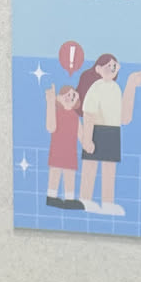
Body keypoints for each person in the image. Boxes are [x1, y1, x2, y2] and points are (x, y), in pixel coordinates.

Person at [76, 52, 141, 215]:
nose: (112, 68)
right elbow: (89, 114)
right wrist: (87, 139)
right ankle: (85, 199)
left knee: (109, 169)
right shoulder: (95, 88)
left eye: (114, 65)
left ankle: (107, 203)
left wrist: (131, 85)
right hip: (96, 130)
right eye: (108, 65)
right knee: (90, 167)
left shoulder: (116, 89)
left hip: (113, 131)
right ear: (98, 69)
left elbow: (124, 117)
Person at [44, 81, 85, 210]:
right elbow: (50, 127)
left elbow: (81, 135)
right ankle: (51, 196)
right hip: (57, 150)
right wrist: (50, 102)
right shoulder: (56, 113)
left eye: (73, 96)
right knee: (55, 172)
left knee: (69, 174)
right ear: (60, 97)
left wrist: (88, 144)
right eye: (67, 94)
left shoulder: (75, 117)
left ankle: (69, 199)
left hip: (70, 152)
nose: (70, 97)